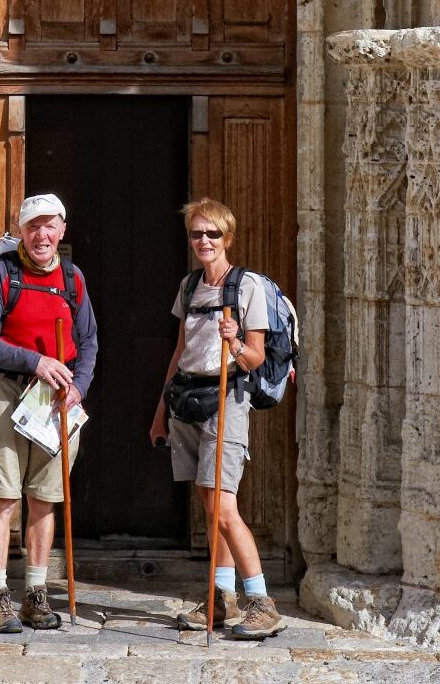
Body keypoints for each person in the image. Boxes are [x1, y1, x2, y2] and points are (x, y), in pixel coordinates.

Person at [149, 197, 286, 639]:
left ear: (227, 237)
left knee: (224, 508)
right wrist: (159, 413)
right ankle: (221, 599)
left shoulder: (246, 287)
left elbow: (256, 357)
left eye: (212, 234)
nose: (203, 241)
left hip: (227, 398)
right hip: (188, 400)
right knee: (210, 507)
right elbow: (179, 354)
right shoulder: (189, 287)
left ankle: (262, 602)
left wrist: (235, 343)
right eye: (196, 233)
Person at [0, 193, 98, 633]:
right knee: (4, 494)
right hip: (9, 393)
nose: (41, 235)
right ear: (21, 231)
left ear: (62, 230)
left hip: (56, 403)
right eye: (33, 226)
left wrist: (78, 387)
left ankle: (36, 596)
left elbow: (89, 343)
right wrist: (35, 362)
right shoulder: (1, 275)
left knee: (45, 498)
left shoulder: (73, 279)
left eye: (50, 226)